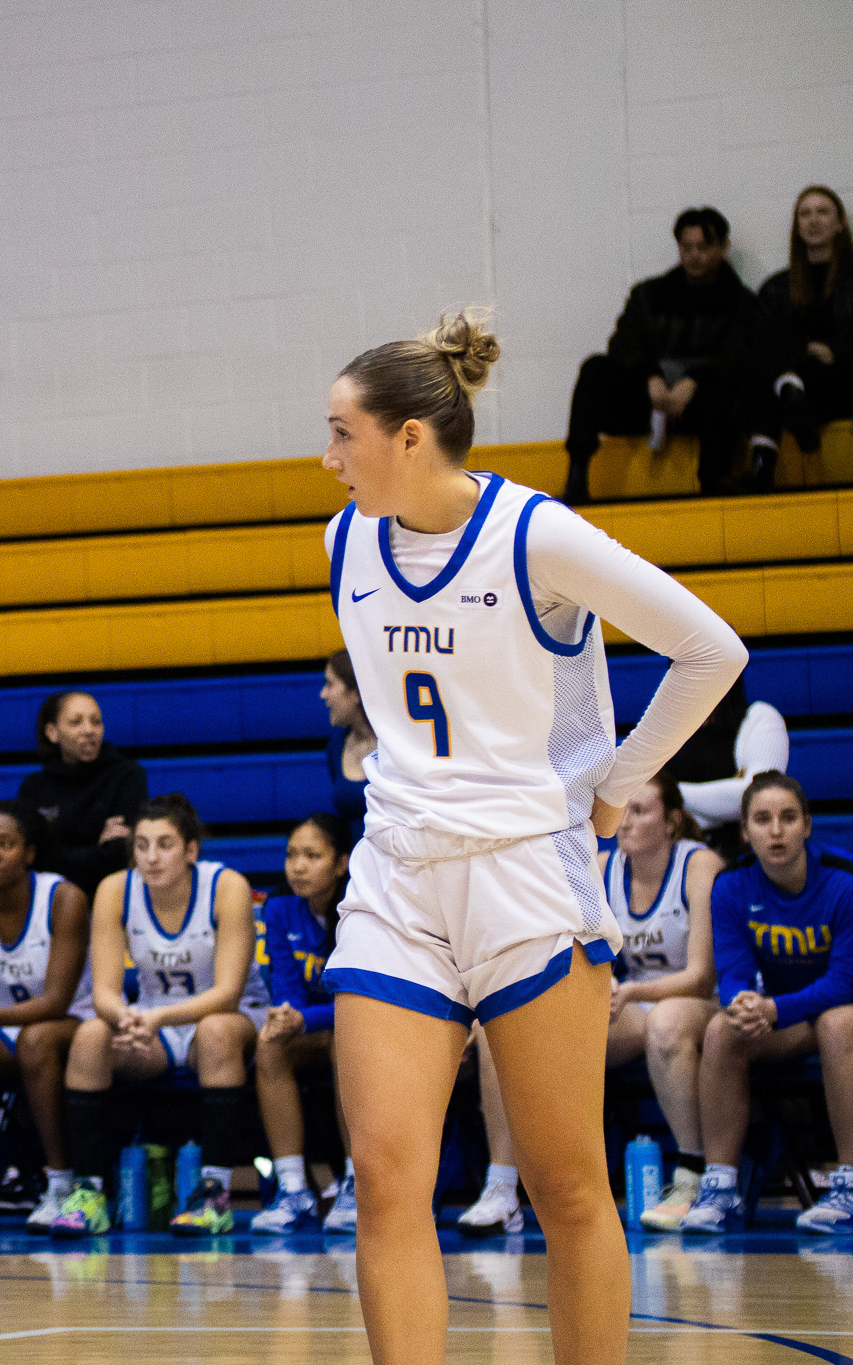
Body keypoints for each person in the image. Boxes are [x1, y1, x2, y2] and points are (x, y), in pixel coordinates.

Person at [322, 310, 747, 1363]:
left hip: (525, 875)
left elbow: (708, 648)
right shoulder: (342, 542)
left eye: (341, 433)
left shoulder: (532, 534)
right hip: (397, 877)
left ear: (408, 437)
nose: (324, 456)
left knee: (564, 1186)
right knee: (384, 1180)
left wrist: (619, 777)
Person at [456, 774, 723, 1236]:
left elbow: (701, 976)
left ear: (672, 822)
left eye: (640, 811)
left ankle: (692, 1175)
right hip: (628, 1004)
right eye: (623, 810)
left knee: (665, 1022)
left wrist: (628, 992)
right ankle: (502, 1187)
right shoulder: (601, 866)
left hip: (694, 1005)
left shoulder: (699, 865)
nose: (625, 821)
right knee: (501, 1029)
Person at [51, 794, 267, 1239]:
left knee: (215, 1032)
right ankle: (88, 1193)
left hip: (233, 1017)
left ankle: (215, 1193)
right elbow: (104, 992)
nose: (151, 857)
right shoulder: (115, 888)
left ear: (191, 850)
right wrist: (126, 1018)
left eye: (165, 844)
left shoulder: (227, 886)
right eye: (142, 845)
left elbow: (227, 994)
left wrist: (154, 1019)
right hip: (157, 1024)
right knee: (92, 1035)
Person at [680, 772, 853, 1235]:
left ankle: (850, 1185)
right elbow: (734, 970)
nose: (776, 831)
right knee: (722, 1028)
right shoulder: (732, 886)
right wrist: (743, 1005)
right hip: (792, 1018)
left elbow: (844, 983)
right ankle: (720, 1188)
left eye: (788, 818)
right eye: (762, 819)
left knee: (840, 1023)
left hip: (841, 1012)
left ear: (808, 826)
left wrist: (774, 1009)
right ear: (745, 831)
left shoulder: (843, 880)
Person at [0, 802, 94, 1234]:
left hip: (77, 1025)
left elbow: (56, 1001)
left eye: (6, 845)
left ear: (29, 852)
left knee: (37, 1040)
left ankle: (60, 1184)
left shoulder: (63, 897)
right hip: (6, 1027)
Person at [563, 206, 775, 503]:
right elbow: (623, 344)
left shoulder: (743, 303)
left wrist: (695, 380)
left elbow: (739, 354)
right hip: (648, 401)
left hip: (705, 406)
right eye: (686, 247)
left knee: (732, 386)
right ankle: (576, 477)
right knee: (595, 368)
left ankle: (714, 479)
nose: (694, 256)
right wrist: (649, 378)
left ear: (723, 247)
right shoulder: (648, 295)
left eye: (703, 247)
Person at [250, 813, 357, 1235]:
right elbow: (287, 983)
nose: (297, 866)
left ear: (342, 863)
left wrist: (302, 1017)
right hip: (312, 1024)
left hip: (355, 1024)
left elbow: (356, 996)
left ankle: (355, 1184)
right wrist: (285, 1014)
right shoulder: (278, 909)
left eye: (312, 855)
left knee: (344, 1040)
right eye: (292, 855)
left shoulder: (358, 908)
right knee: (269, 1044)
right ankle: (293, 1189)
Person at [15, 690, 149, 892]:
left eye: (96, 721)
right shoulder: (34, 787)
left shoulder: (127, 776)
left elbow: (120, 855)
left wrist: (61, 853)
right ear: (52, 732)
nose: (89, 730)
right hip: (51, 898)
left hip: (112, 893)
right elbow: (33, 860)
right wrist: (96, 848)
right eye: (76, 722)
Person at [759, 185, 853, 453]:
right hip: (789, 385)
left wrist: (834, 352)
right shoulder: (776, 287)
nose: (813, 220)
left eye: (822, 212)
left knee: (803, 371)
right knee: (758, 371)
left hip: (839, 381)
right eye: (805, 214)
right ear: (797, 226)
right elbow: (762, 345)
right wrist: (801, 351)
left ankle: (763, 458)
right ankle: (790, 394)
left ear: (840, 223)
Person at [670, 676, 791, 859]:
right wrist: (721, 808)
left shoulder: (759, 718)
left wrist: (668, 795)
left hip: (737, 853)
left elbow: (755, 796)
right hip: (671, 853)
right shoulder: (663, 725)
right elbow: (642, 800)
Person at [321, 651, 375, 839]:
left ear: (355, 692)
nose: (323, 694)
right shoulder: (336, 744)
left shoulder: (396, 744)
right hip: (355, 864)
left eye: (329, 684)